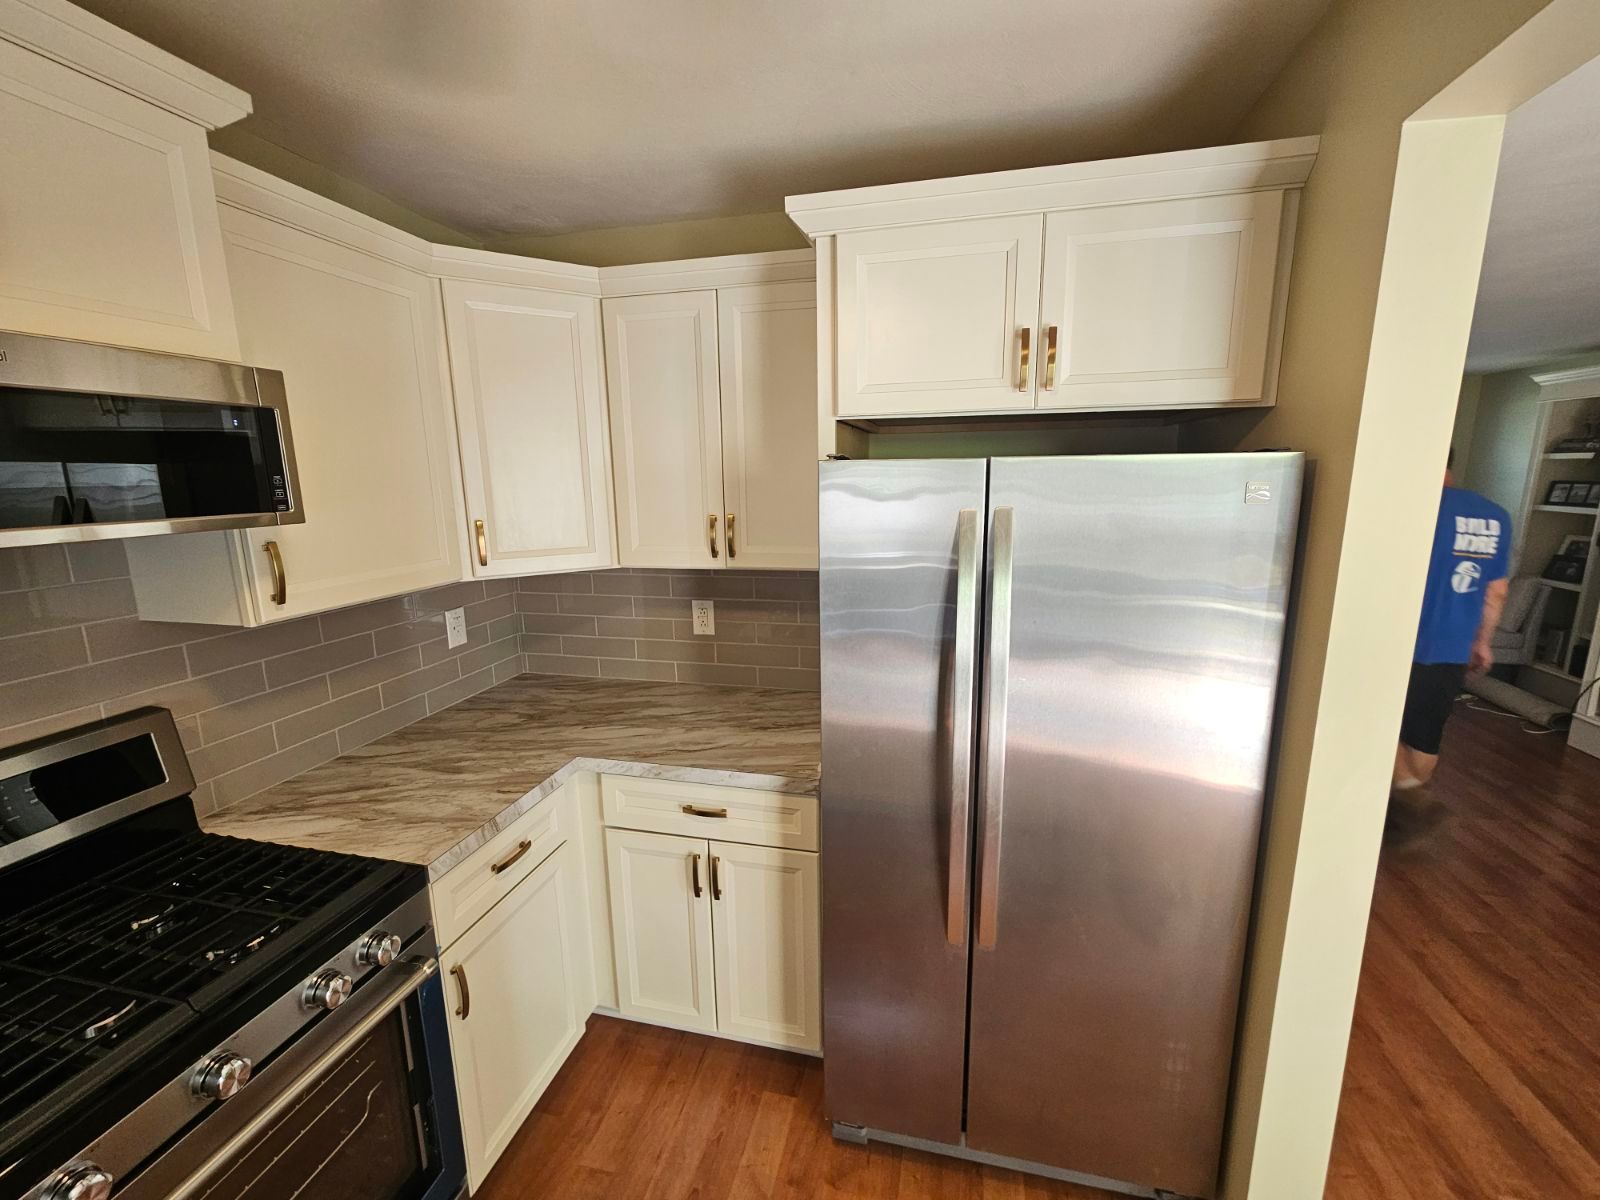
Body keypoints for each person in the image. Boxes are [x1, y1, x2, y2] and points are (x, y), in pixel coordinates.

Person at [1393, 453, 1511, 795]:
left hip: (1395, 640)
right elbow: (1497, 592)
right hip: (1451, 647)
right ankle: (1404, 806)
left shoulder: (1406, 507)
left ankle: (1400, 811)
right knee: (1423, 748)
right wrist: (1482, 642)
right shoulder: (1495, 515)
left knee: (1373, 723)